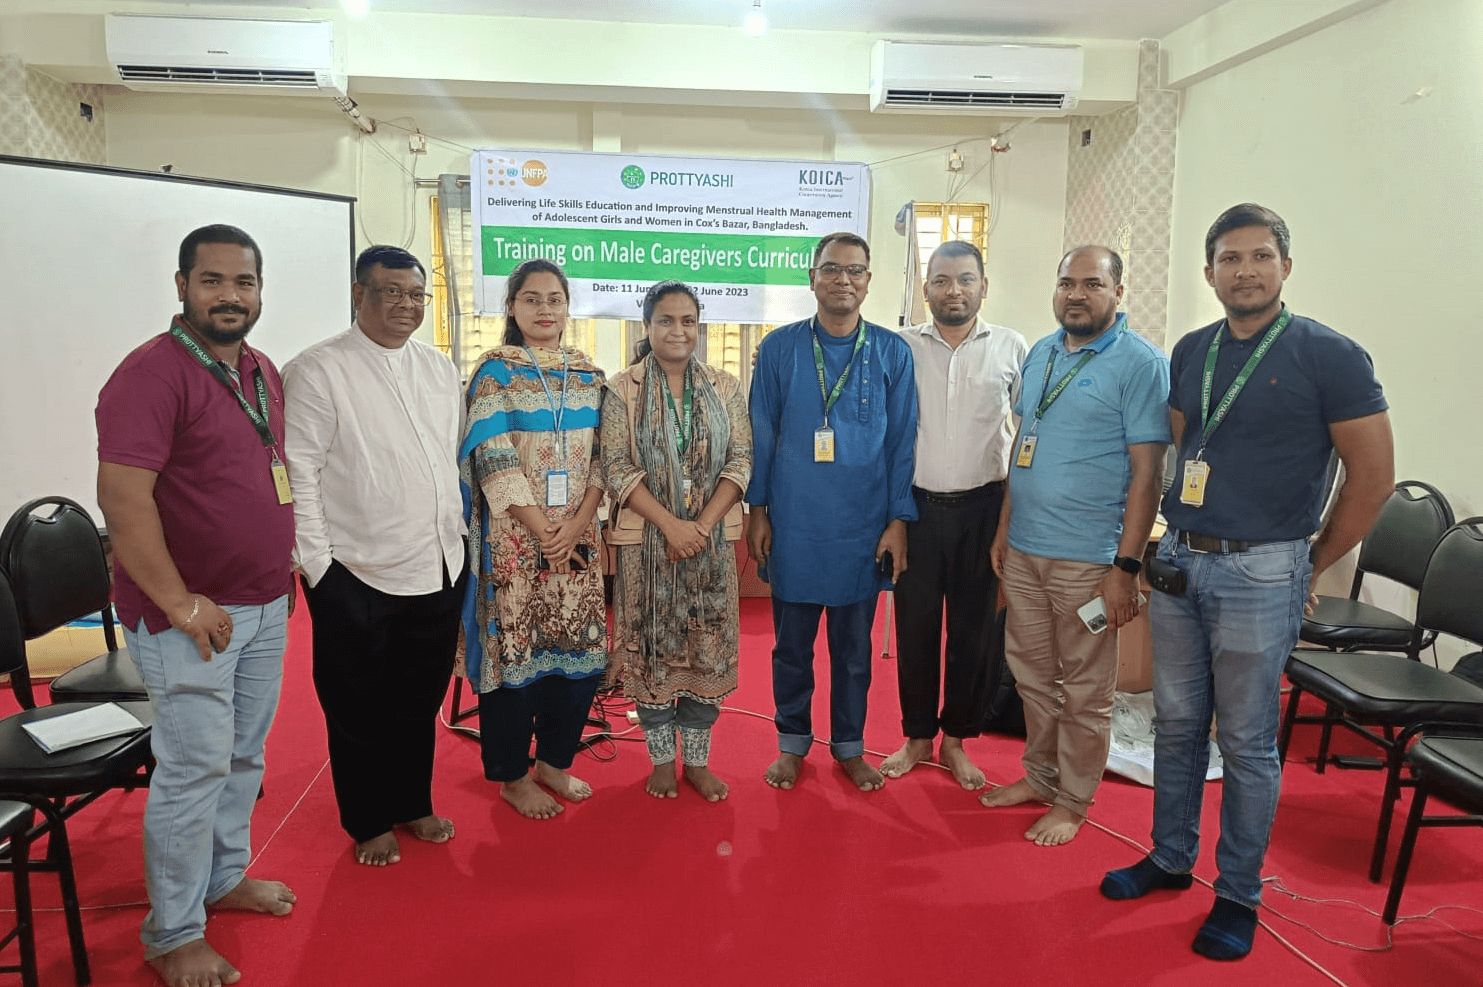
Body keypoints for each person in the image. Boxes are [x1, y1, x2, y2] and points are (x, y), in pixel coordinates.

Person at [1101, 203, 1393, 960]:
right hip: (1182, 560)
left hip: (1263, 569)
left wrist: (1311, 561)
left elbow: (1371, 478)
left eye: (1260, 256)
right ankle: (1170, 856)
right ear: (1210, 273)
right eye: (1230, 259)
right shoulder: (1192, 349)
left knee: (1245, 739)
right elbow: (1180, 446)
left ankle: (1237, 893)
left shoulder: (1330, 356)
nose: (1245, 271)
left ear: (1285, 266)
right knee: (1174, 722)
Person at [96, 224, 296, 987]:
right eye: (212, 281)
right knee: (193, 767)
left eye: (244, 282)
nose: (230, 296)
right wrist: (181, 605)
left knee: (243, 755)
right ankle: (173, 933)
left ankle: (222, 876)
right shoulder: (150, 374)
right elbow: (124, 503)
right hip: (190, 617)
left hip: (264, 602)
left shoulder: (259, 370)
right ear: (182, 286)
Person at [283, 245, 466, 866]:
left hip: (439, 562)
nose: (407, 305)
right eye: (391, 292)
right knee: (357, 704)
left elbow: (445, 458)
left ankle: (412, 801)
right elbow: (299, 473)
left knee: (419, 697)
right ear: (359, 294)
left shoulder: (438, 368)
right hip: (355, 571)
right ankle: (367, 820)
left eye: (416, 294)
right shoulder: (317, 370)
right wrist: (319, 567)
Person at [982, 246, 1170, 846]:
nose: (1077, 294)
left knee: (1086, 690)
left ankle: (1072, 801)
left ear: (1119, 292)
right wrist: (1005, 528)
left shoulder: (1141, 363)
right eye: (1067, 283)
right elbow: (1023, 446)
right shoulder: (1041, 352)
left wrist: (1125, 568)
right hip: (1025, 552)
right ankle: (1040, 778)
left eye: (1092, 284)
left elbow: (1148, 475)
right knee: (1032, 678)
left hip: (1089, 561)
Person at [746, 231, 918, 793]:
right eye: (831, 269)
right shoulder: (779, 349)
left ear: (868, 281)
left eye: (855, 270)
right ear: (812, 277)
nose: (843, 279)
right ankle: (792, 742)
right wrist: (757, 510)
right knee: (791, 649)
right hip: (795, 525)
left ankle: (849, 746)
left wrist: (898, 521)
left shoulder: (892, 352)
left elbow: (902, 443)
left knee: (853, 653)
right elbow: (761, 432)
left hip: (862, 530)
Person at [460, 257, 608, 819]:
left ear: (568, 308)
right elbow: (492, 456)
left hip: (577, 542)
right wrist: (544, 529)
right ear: (512, 307)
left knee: (578, 654)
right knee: (515, 658)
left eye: (554, 299)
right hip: (515, 544)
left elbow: (605, 459)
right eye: (531, 298)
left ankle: (553, 762)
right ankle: (512, 776)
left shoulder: (590, 375)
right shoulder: (494, 373)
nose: (544, 309)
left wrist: (577, 523)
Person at [600, 281, 753, 802]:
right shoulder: (621, 390)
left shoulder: (725, 387)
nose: (678, 331)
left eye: (688, 320)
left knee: (707, 649)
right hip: (646, 546)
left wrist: (700, 527)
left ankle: (698, 762)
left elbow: (741, 460)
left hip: (710, 546)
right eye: (666, 320)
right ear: (647, 327)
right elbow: (616, 465)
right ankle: (662, 762)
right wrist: (671, 525)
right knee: (651, 651)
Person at [884, 240, 1028, 789]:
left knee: (975, 633)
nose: (954, 291)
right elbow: (888, 437)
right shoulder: (902, 346)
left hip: (984, 509)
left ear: (983, 287)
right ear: (926, 289)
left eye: (966, 280)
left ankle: (956, 740)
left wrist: (1009, 523)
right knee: (915, 629)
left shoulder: (1012, 347)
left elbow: (1026, 438)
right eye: (941, 281)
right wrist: (894, 518)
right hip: (916, 508)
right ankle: (918, 736)